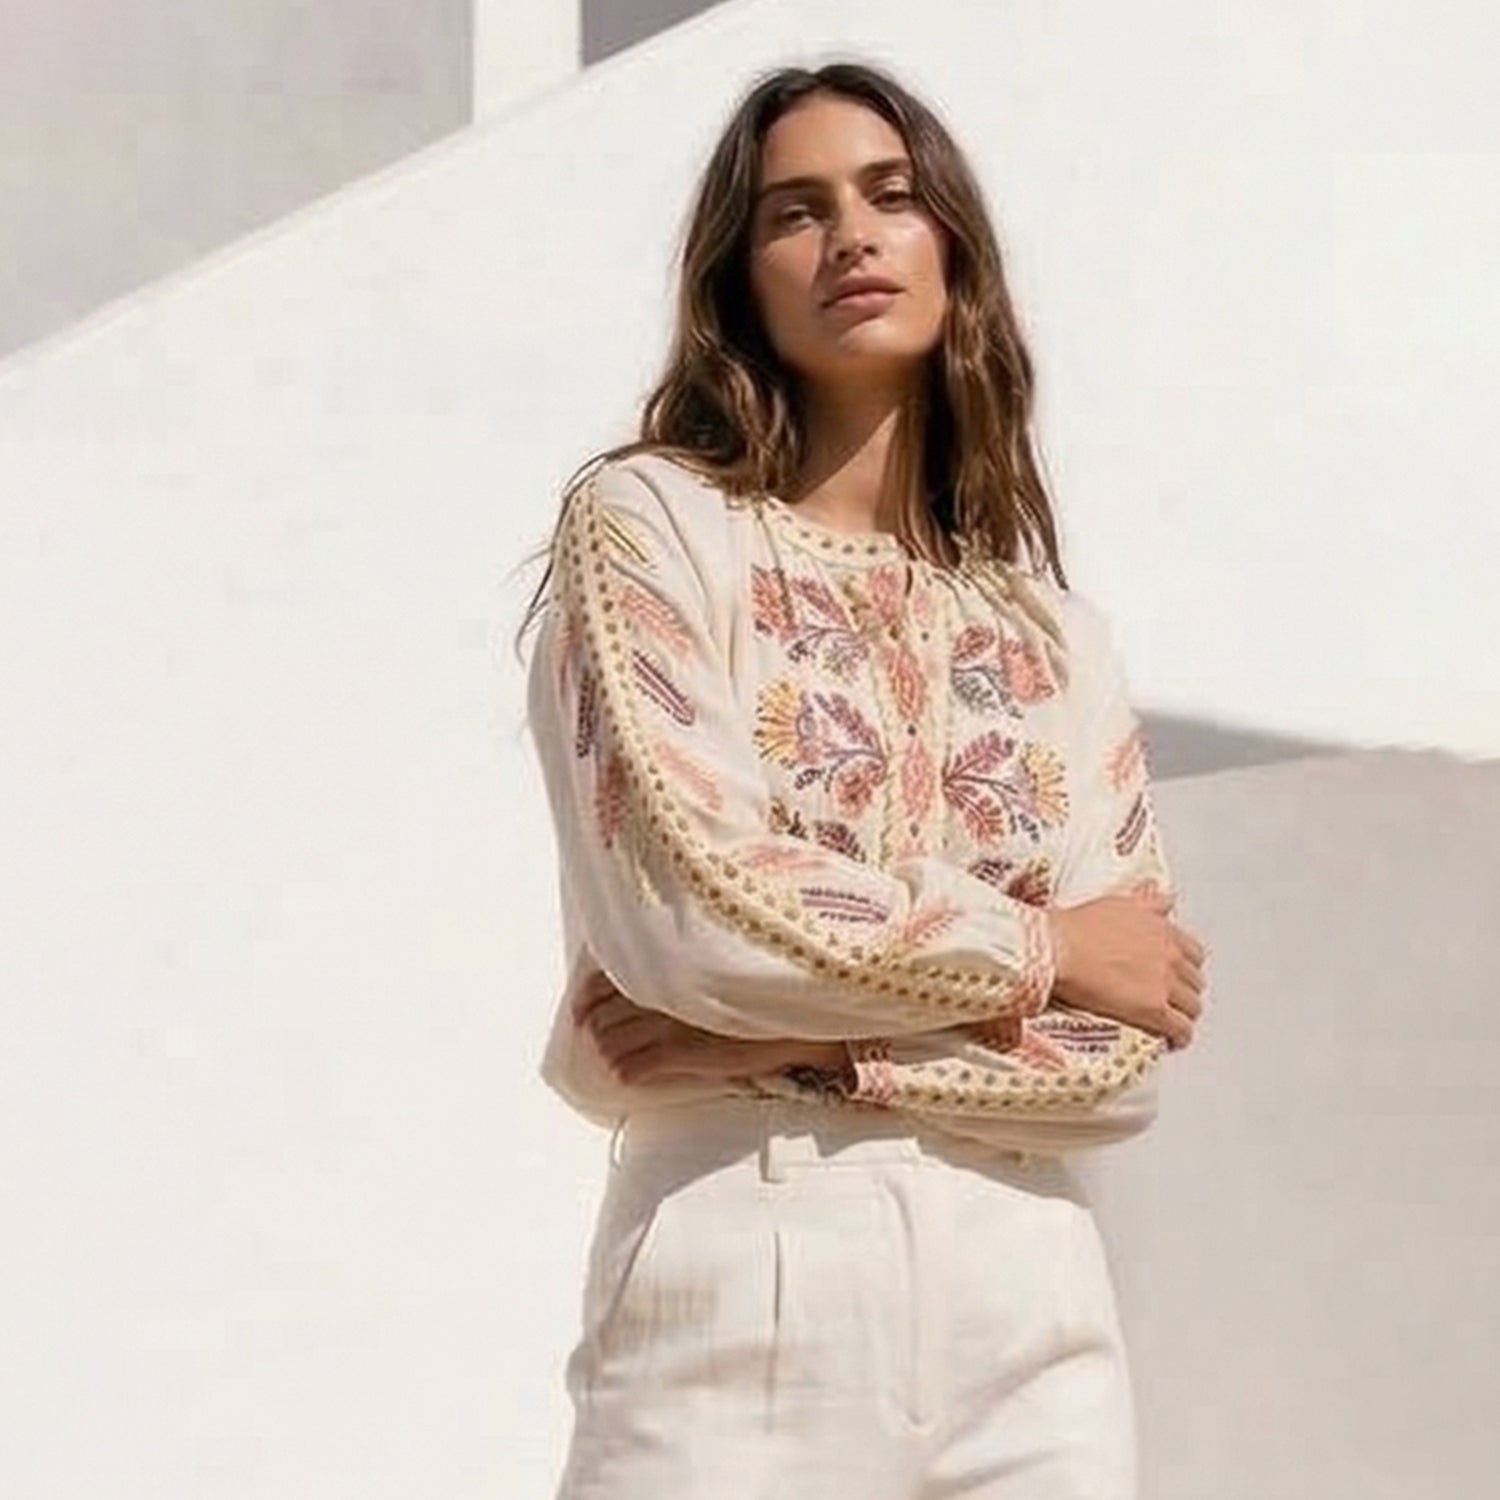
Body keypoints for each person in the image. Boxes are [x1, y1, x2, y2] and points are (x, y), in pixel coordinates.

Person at [514, 59, 1208, 1500]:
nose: (851, 237)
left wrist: (815, 1045)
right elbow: (700, 912)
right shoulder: (652, 527)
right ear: (740, 276)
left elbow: (1127, 1046)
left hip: (1033, 1301)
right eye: (796, 211)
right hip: (746, 1259)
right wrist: (1046, 950)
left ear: (953, 241)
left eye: (891, 196)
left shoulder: (1053, 635)